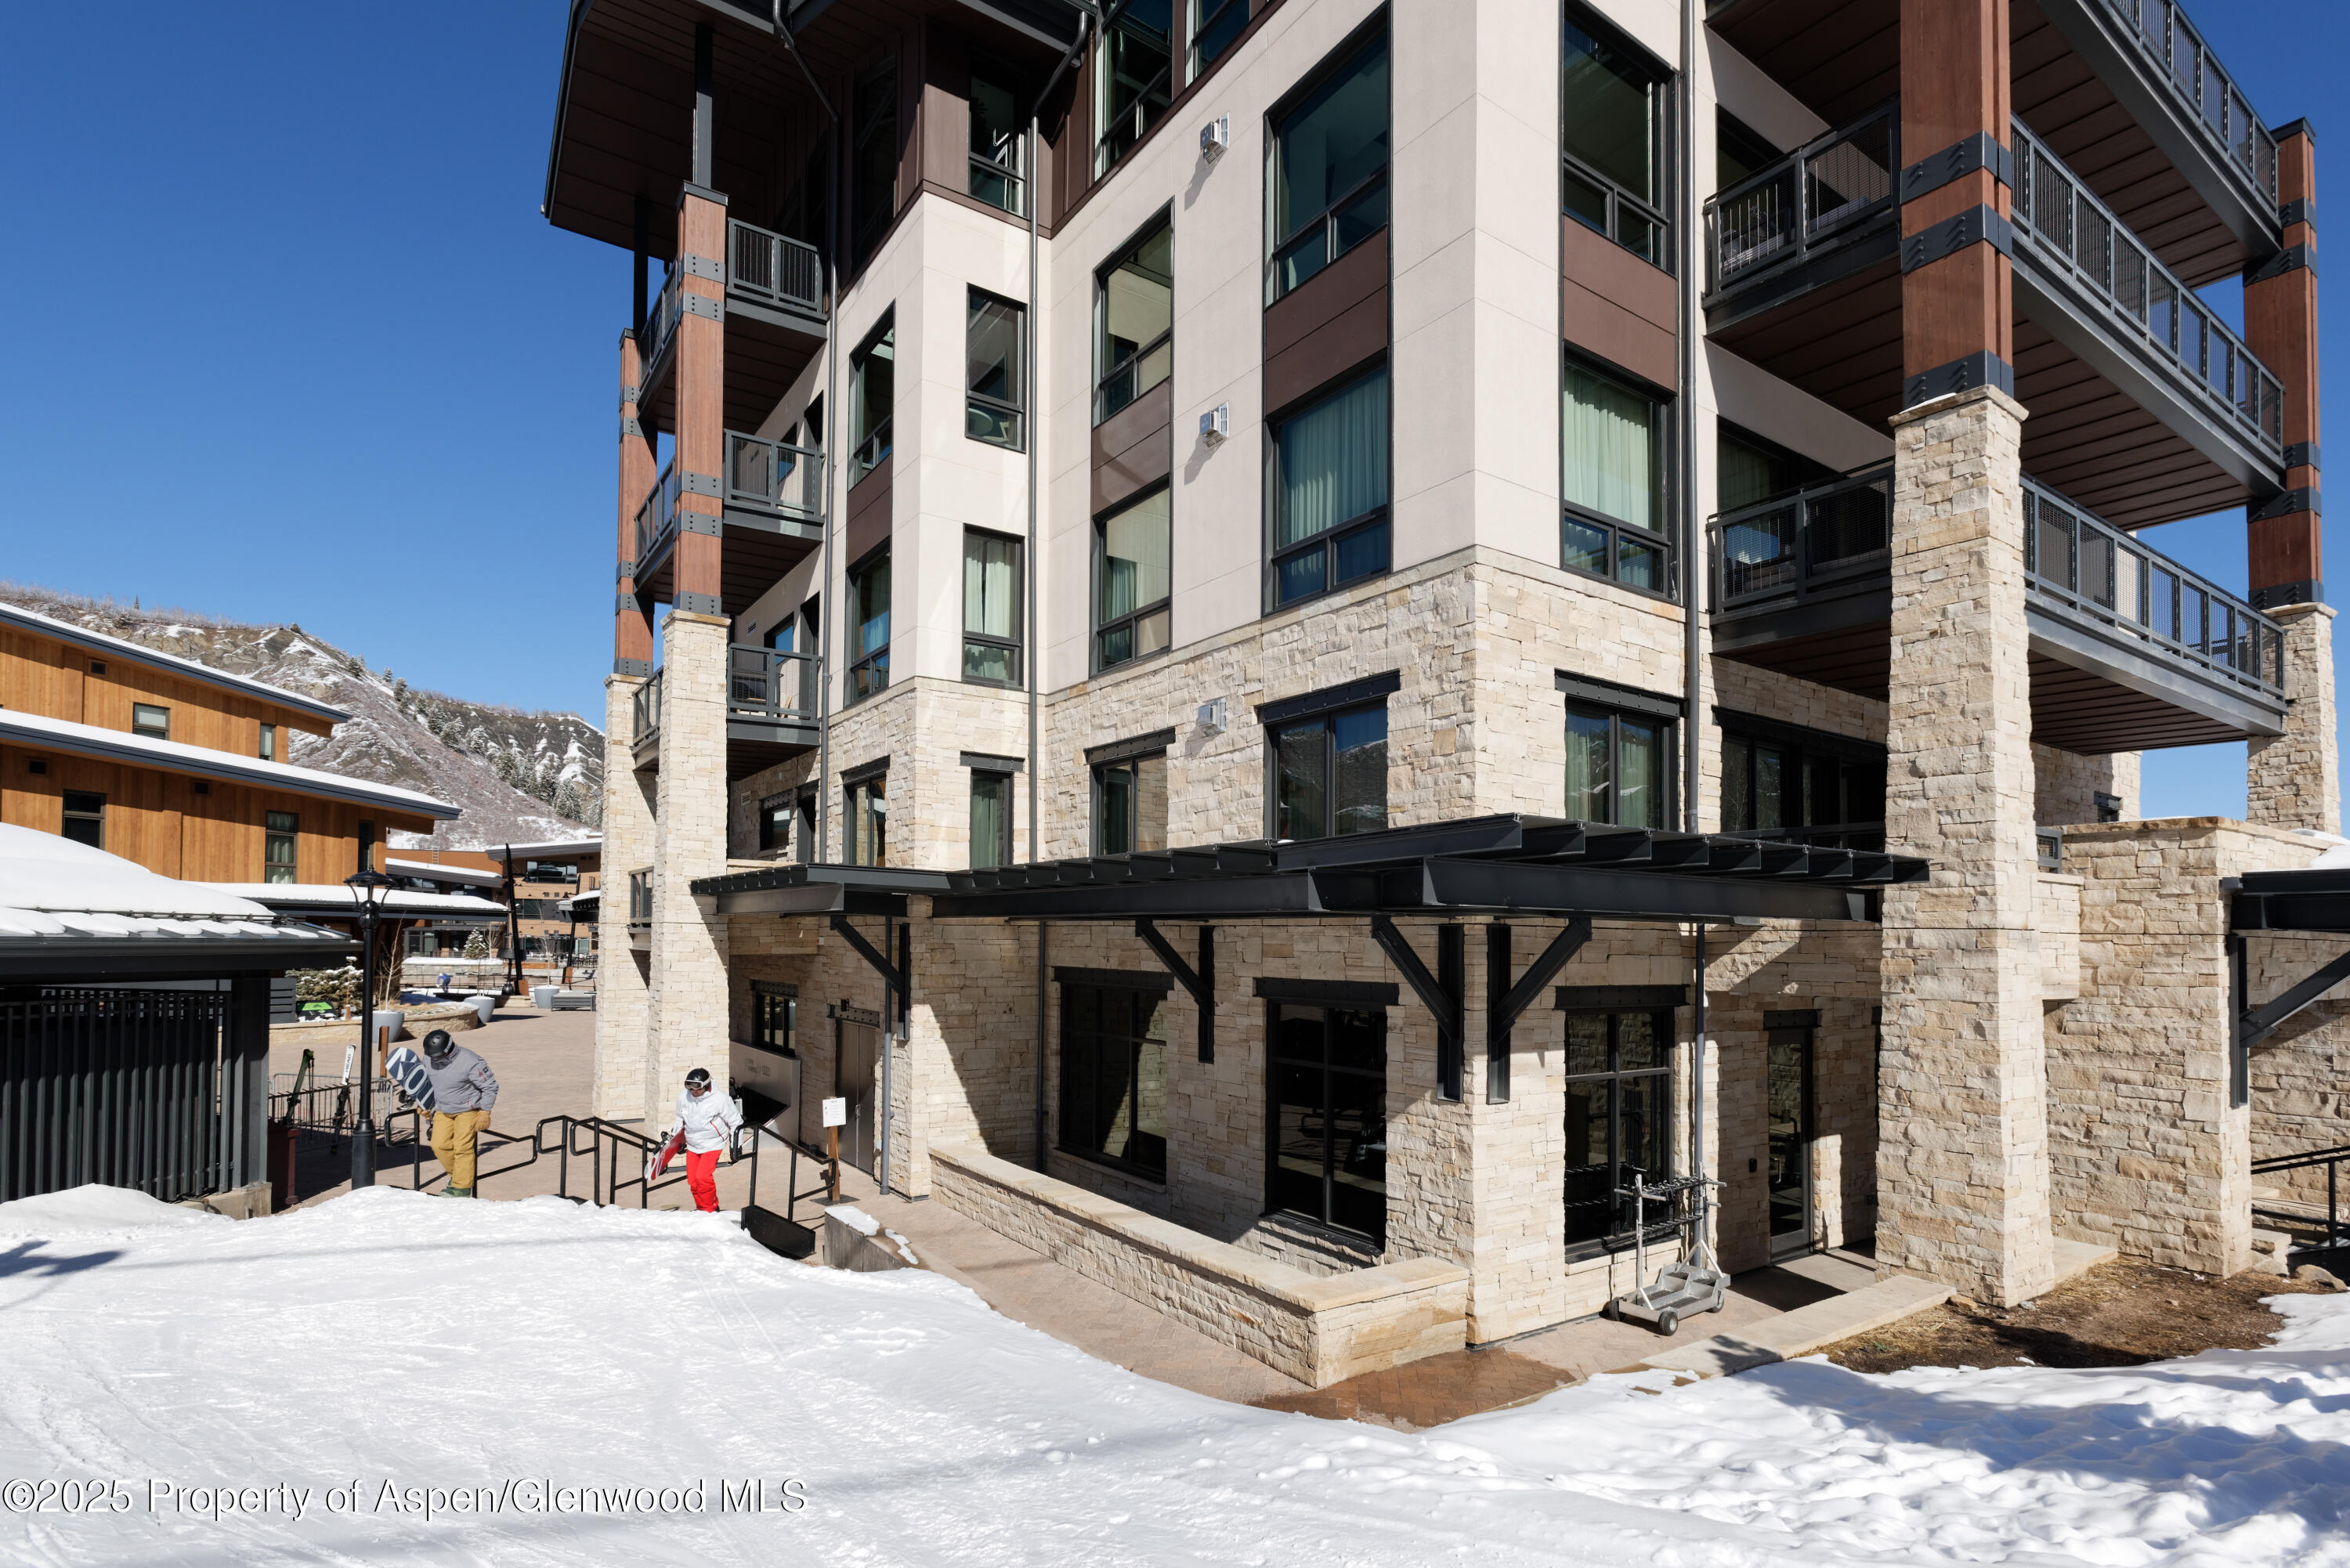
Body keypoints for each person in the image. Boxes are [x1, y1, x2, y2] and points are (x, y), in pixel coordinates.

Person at [420, 1029, 499, 1198]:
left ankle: (461, 1188)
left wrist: (485, 1112)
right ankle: (457, 1176)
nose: (435, 1060)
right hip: (442, 1108)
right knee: (439, 1145)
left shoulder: (471, 1061)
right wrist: (424, 1104)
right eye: (432, 1056)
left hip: (467, 1110)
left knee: (462, 1148)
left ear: (448, 1049)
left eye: (438, 1056)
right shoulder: (428, 1058)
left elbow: (490, 1087)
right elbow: (426, 1082)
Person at [663, 1068, 742, 1214]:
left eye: (697, 1088)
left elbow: (736, 1122)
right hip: (693, 1144)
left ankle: (710, 1210)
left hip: (713, 1143)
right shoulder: (684, 1096)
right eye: (690, 1087)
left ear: (706, 1085)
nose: (693, 1091)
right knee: (693, 1181)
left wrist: (736, 1146)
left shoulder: (720, 1099)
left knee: (703, 1178)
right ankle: (701, 1209)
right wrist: (677, 1139)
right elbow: (680, 1118)